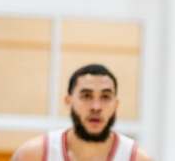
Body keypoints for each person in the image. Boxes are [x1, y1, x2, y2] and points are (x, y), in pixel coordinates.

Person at [12, 63, 151, 161]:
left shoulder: (137, 158)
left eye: (105, 97)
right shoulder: (33, 155)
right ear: (68, 101)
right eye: (86, 96)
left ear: (116, 104)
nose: (96, 107)